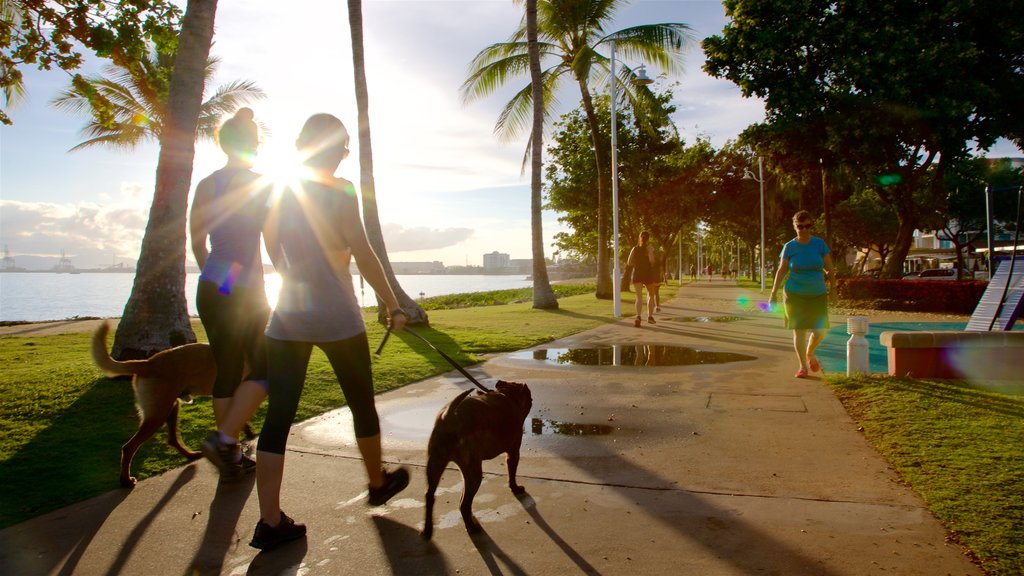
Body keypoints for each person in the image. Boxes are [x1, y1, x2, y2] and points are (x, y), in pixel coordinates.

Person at [250, 113, 409, 551]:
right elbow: (362, 248)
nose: (341, 158)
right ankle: (377, 483)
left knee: (278, 416)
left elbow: (270, 241)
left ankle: (269, 521)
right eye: (341, 150)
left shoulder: (280, 187)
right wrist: (391, 302)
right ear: (333, 150)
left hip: (288, 316)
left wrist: (290, 269)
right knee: (361, 403)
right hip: (338, 316)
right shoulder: (340, 189)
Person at [189, 108, 270, 481]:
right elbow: (273, 241)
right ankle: (225, 441)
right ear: (251, 144)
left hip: (212, 284)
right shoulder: (260, 183)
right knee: (269, 369)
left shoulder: (208, 183)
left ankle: (230, 455)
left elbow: (197, 240)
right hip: (246, 291)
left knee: (229, 368)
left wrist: (220, 276)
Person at [768, 210, 836, 378]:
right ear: (794, 226)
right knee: (799, 330)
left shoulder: (819, 244)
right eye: (800, 226)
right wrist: (773, 293)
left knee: (820, 330)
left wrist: (833, 289)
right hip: (794, 293)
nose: (804, 230)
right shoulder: (789, 246)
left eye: (808, 226)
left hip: (818, 292)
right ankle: (802, 366)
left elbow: (830, 268)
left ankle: (810, 352)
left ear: (811, 226)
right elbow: (782, 270)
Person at [627, 231, 660, 328]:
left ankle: (638, 317)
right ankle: (650, 317)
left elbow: (629, 262)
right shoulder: (649, 248)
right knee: (651, 294)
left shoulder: (634, 249)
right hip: (648, 274)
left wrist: (637, 265)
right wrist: (650, 252)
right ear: (648, 239)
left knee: (639, 297)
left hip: (637, 274)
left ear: (639, 238)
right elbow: (652, 261)